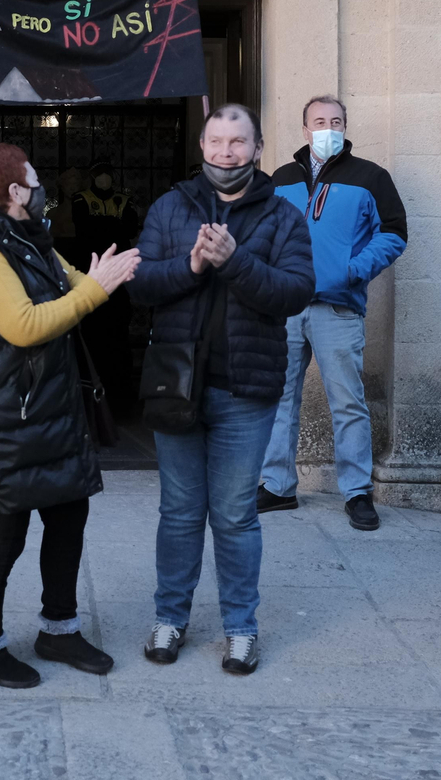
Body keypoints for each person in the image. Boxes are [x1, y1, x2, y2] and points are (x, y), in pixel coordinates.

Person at [0, 142, 139, 688]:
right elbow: (24, 325)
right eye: (36, 178)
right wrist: (96, 290)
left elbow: (74, 282)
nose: (44, 185)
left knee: (68, 518)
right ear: (15, 192)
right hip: (5, 415)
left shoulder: (29, 240)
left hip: (49, 407)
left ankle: (59, 629)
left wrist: (97, 279)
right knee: (4, 533)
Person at [130, 105, 314, 674]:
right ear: (203, 145)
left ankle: (241, 628)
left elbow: (295, 292)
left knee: (235, 515)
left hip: (246, 390)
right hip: (177, 385)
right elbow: (139, 284)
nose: (226, 152)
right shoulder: (171, 207)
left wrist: (234, 262)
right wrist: (188, 266)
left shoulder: (283, 216)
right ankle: (170, 618)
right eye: (216, 141)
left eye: (238, 142)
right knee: (180, 512)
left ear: (258, 148)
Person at [259, 95, 407, 531]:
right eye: (319, 121)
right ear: (304, 130)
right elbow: (260, 231)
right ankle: (278, 486)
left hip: (337, 308)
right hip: (284, 307)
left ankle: (357, 493)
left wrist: (352, 270)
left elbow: (395, 233)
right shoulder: (280, 178)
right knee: (279, 399)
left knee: (347, 403)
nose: (328, 127)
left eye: (336, 121)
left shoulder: (371, 177)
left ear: (345, 126)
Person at [73, 160, 142, 386]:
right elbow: (83, 229)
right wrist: (114, 225)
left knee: (118, 328)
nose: (104, 177)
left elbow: (131, 228)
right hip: (90, 270)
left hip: (119, 273)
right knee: (93, 328)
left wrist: (101, 225)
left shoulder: (123, 199)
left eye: (107, 173)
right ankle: (93, 381)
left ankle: (118, 385)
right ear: (92, 176)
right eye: (99, 173)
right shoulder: (81, 198)